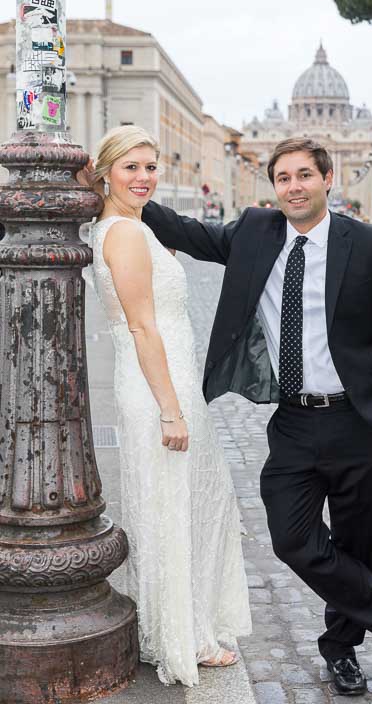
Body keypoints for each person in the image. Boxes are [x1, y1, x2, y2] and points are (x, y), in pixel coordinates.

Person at [140, 136, 372, 697]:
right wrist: (125, 192)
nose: (293, 187)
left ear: (327, 179)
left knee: (356, 542)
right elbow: (188, 235)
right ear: (274, 188)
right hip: (294, 421)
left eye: (303, 176)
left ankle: (341, 649)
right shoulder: (255, 232)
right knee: (291, 538)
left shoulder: (367, 243)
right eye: (283, 178)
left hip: (360, 421)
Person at [82, 125, 251, 688]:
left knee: (182, 504)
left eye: (151, 167)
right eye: (131, 167)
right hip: (159, 387)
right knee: (174, 508)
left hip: (168, 382)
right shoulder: (125, 235)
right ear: (106, 172)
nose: (144, 177)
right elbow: (141, 324)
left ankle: (186, 624)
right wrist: (171, 411)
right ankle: (184, 636)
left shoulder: (134, 227)